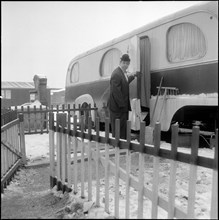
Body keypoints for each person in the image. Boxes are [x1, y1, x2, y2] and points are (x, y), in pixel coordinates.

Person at [107, 54, 140, 139]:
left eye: (127, 63)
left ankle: (122, 143)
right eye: (124, 63)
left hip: (121, 105)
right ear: (120, 62)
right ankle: (118, 145)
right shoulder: (116, 74)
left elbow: (124, 83)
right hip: (117, 106)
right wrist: (122, 105)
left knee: (122, 126)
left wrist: (132, 76)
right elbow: (116, 92)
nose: (126, 65)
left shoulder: (122, 73)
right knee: (118, 127)